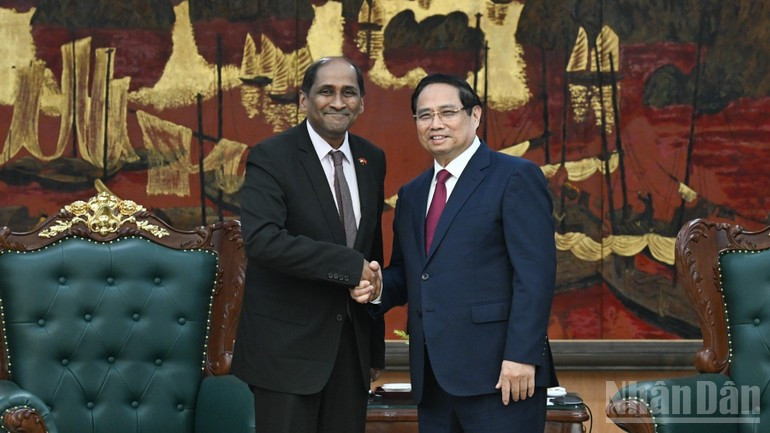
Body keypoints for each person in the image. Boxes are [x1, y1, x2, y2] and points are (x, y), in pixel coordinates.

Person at [353, 73, 558, 433]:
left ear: (475, 115)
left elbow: (535, 276)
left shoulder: (515, 177)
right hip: (433, 380)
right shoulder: (412, 194)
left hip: (502, 376)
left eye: (447, 112)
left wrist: (522, 356)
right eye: (424, 115)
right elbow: (410, 272)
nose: (436, 124)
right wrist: (379, 287)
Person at [232, 56, 386, 433]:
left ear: (361, 103)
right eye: (326, 92)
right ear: (304, 100)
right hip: (286, 353)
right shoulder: (271, 156)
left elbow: (372, 252)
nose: (338, 102)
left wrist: (374, 348)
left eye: (349, 93)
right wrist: (348, 267)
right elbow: (263, 240)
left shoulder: (372, 158)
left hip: (350, 354)